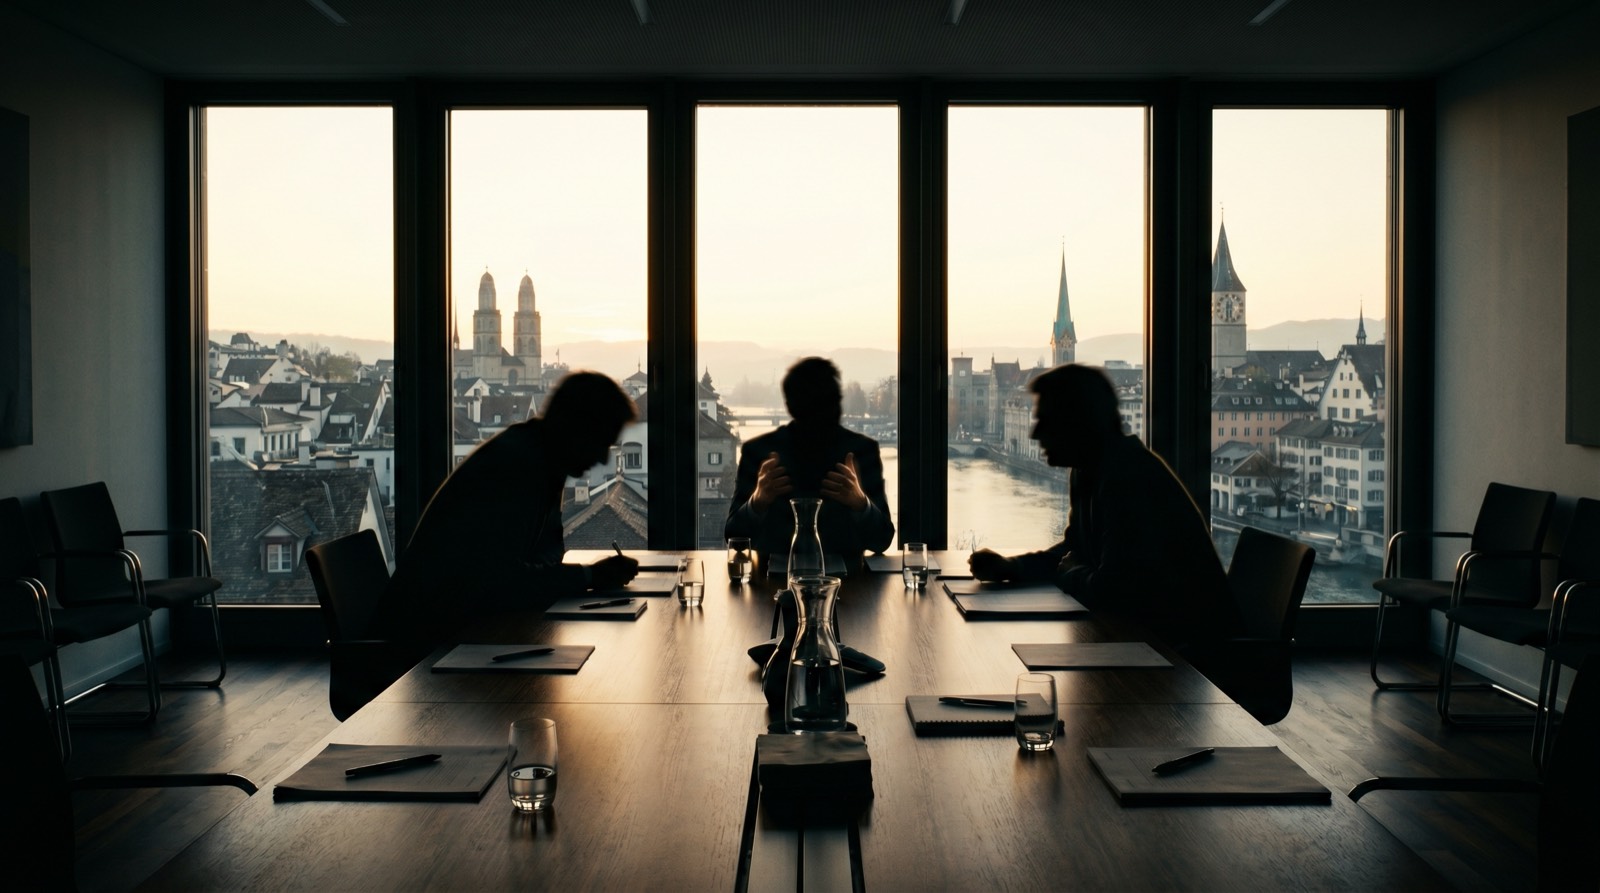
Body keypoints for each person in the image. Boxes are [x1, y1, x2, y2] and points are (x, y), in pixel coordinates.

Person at [968, 364, 1240, 650]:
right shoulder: (1094, 468)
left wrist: (1070, 572)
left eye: (1045, 420)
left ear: (1076, 422)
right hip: (1152, 643)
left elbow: (1115, 590)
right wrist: (1012, 566)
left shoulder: (1127, 477)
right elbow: (1074, 553)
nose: (1035, 433)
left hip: (1199, 663)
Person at [377, 371, 641, 639]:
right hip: (419, 651)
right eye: (601, 441)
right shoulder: (519, 467)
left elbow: (543, 557)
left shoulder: (536, 455)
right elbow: (503, 583)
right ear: (576, 428)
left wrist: (582, 576)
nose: (602, 456)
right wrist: (589, 576)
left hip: (446, 631)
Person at [726, 357, 895, 569]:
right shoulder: (861, 451)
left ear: (789, 406)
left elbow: (882, 540)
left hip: (771, 586)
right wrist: (758, 500)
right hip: (851, 586)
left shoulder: (759, 453)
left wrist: (860, 502)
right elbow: (733, 538)